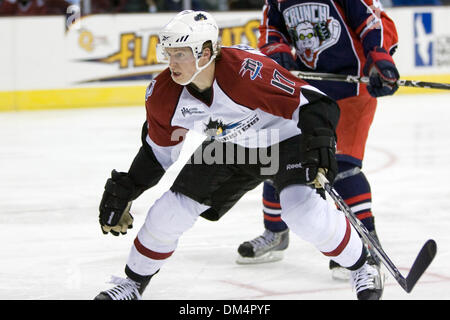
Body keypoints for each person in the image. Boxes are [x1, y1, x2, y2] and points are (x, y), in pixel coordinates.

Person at [94, 10, 383, 300]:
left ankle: (362, 266)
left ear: (206, 53)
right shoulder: (163, 94)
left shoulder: (247, 72)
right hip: (230, 147)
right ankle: (131, 284)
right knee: (169, 211)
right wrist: (129, 187)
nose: (172, 63)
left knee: (301, 212)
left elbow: (318, 104)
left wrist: (320, 145)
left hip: (284, 140)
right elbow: (158, 153)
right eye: (168, 54)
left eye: (180, 54)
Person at [236, 0, 399, 282]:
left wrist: (379, 57)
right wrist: (277, 50)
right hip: (309, 89)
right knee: (281, 156)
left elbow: (373, 21)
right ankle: (276, 232)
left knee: (343, 167)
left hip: (352, 89)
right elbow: (270, 28)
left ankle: (363, 241)